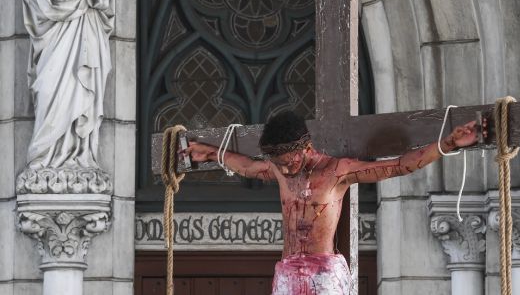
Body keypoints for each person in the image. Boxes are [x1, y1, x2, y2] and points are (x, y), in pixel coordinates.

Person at [182, 111, 482, 294]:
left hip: (323, 272)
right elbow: (247, 166)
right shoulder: (278, 168)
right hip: (287, 270)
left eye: (288, 162)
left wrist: (449, 143)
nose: (284, 170)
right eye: (278, 164)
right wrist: (209, 153)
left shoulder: (337, 171)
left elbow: (400, 165)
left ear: (306, 147)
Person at [22, 0, 114, 172]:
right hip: (54, 27)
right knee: (48, 87)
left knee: (81, 87)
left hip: (83, 22)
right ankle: (46, 155)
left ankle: (78, 153)